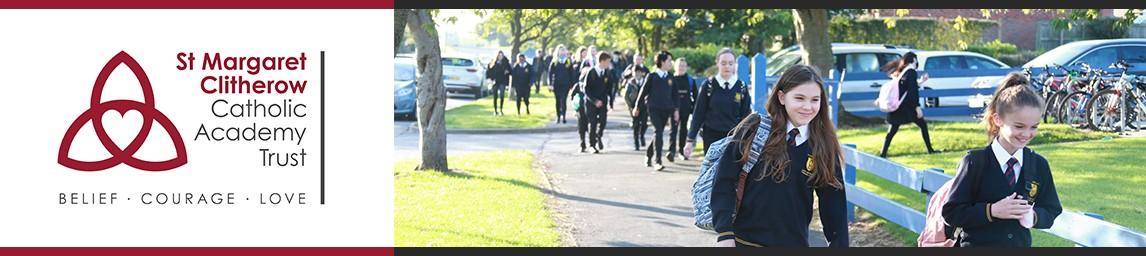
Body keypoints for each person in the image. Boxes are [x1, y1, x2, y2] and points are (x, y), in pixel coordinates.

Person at [713, 65, 849, 247]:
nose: (807, 107)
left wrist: (839, 244)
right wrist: (724, 232)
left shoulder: (823, 145)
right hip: (744, 242)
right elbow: (724, 180)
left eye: (815, 100)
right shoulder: (754, 130)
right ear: (782, 97)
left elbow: (833, 203)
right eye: (799, 98)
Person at [941, 73, 1062, 247]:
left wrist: (1033, 216)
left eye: (1034, 127)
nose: (1027, 134)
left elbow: (1051, 209)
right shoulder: (974, 162)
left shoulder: (1039, 164)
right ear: (998, 119)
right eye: (1019, 126)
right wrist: (991, 210)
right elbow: (952, 212)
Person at [687, 48, 752, 154]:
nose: (727, 66)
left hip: (734, 137)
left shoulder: (741, 87)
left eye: (731, 63)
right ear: (717, 64)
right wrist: (690, 139)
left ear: (735, 64)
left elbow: (746, 115)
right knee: (712, 169)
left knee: (729, 169)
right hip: (711, 137)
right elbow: (699, 113)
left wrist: (747, 139)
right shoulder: (708, 85)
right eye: (723, 63)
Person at [878, 51, 937, 158]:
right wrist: (917, 107)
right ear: (913, 60)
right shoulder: (911, 72)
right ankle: (930, 150)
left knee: (892, 131)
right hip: (907, 108)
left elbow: (908, 87)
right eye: (916, 59)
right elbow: (912, 91)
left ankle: (883, 153)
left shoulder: (903, 72)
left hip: (898, 107)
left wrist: (921, 81)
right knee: (923, 125)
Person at [634, 51, 678, 171]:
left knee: (657, 134)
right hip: (654, 109)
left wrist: (676, 110)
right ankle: (657, 161)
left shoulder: (670, 77)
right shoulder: (652, 76)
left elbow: (675, 95)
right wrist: (637, 107)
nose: (671, 63)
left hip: (667, 109)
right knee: (658, 132)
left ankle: (648, 154)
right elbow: (643, 92)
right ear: (662, 62)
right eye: (669, 60)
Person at [580, 51, 613, 154]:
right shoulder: (591, 72)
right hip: (591, 102)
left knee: (603, 121)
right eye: (607, 62)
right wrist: (594, 101)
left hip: (603, 102)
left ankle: (599, 135)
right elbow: (586, 89)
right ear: (602, 61)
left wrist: (610, 102)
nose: (608, 64)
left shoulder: (607, 73)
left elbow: (610, 88)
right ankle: (592, 145)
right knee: (593, 123)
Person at [668, 57, 697, 161]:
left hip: (685, 108)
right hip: (673, 109)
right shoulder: (671, 79)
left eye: (683, 66)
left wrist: (694, 110)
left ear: (686, 67)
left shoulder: (690, 80)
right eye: (679, 65)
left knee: (683, 130)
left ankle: (681, 151)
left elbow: (696, 97)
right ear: (675, 67)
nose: (681, 68)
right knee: (673, 130)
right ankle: (671, 151)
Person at [623, 51, 651, 151]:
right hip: (634, 106)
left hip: (644, 106)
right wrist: (631, 106)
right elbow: (626, 96)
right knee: (635, 124)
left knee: (644, 124)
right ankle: (636, 143)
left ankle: (641, 135)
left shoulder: (645, 81)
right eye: (636, 73)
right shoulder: (631, 83)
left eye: (639, 73)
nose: (637, 74)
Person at [549, 45, 576, 124]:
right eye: (561, 50)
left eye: (564, 50)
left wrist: (572, 84)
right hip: (557, 84)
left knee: (563, 100)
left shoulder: (568, 61)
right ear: (558, 52)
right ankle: (558, 117)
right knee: (557, 101)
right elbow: (550, 73)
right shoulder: (554, 62)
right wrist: (550, 84)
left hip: (566, 84)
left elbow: (571, 73)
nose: (562, 52)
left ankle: (564, 116)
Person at [486, 51, 512, 116]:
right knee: (495, 96)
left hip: (502, 81)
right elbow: (489, 71)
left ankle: (501, 110)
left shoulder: (506, 63)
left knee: (502, 95)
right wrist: (490, 79)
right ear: (497, 56)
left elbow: (511, 71)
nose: (500, 57)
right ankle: (495, 110)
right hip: (495, 81)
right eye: (499, 55)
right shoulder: (493, 63)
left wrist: (507, 72)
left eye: (501, 55)